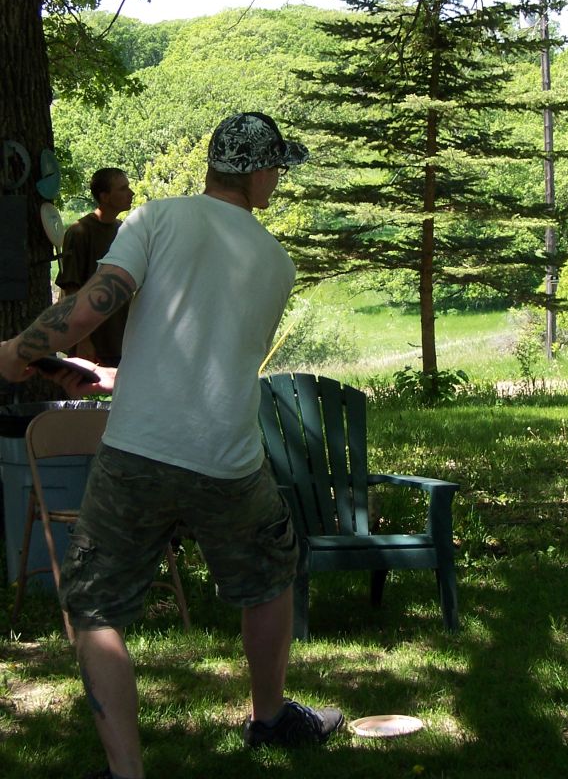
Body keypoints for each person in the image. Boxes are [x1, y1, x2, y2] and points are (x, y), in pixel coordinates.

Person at [0, 112, 343, 779]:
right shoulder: (276, 263)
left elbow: (96, 303)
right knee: (270, 578)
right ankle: (271, 718)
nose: (278, 179)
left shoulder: (156, 218)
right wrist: (111, 375)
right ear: (257, 173)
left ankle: (126, 772)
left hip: (137, 452)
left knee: (94, 608)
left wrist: (16, 352)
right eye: (276, 168)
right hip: (229, 460)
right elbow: (214, 361)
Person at [55, 167, 135, 366]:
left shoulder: (124, 230)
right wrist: (83, 340)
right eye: (123, 188)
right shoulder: (79, 232)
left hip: (121, 337)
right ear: (105, 197)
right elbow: (72, 290)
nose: (131, 193)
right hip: (92, 340)